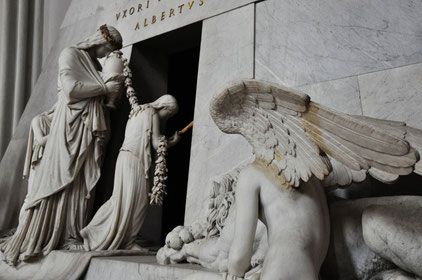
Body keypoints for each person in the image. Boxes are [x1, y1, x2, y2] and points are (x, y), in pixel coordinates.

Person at [0, 24, 123, 265]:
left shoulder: (95, 66)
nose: (107, 54)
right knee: (64, 179)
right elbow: (70, 91)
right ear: (100, 40)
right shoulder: (70, 54)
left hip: (88, 126)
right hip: (70, 126)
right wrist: (104, 87)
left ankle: (71, 233)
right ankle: (55, 233)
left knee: (82, 182)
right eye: (108, 48)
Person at [80, 95, 181, 251]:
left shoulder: (137, 111)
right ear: (164, 107)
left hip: (125, 158)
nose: (166, 118)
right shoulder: (151, 113)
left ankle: (93, 231)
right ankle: (125, 241)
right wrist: (172, 142)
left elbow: (144, 141)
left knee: (120, 199)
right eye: (169, 115)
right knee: (139, 202)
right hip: (135, 160)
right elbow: (156, 143)